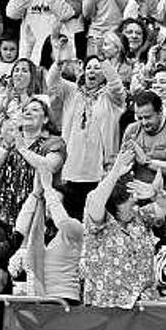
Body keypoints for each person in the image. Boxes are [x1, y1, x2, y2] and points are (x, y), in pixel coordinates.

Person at [81, 149, 166, 308]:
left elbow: (165, 207)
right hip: (106, 307)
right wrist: (116, 170)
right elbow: (95, 199)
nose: (136, 204)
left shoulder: (141, 216)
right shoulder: (98, 223)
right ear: (117, 203)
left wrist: (155, 194)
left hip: (144, 305)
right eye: (131, 202)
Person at [47, 53, 125, 221]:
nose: (92, 71)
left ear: (104, 72)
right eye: (89, 67)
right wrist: (60, 61)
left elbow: (116, 85)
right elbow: (52, 83)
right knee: (73, 223)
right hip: (72, 170)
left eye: (98, 68)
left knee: (98, 223)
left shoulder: (112, 97)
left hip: (100, 172)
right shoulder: (72, 91)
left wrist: (104, 60)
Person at [0, 98, 65, 228]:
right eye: (25, 110)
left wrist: (22, 149)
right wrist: (6, 147)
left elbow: (51, 166)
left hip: (36, 217)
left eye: (34, 110)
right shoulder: (13, 140)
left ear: (46, 119)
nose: (27, 113)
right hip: (4, 217)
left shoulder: (53, 142)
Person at [12, 168, 82, 302]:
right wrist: (36, 194)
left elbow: (61, 220)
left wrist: (49, 189)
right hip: (38, 298)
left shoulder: (74, 228)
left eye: (54, 202)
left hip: (65, 300)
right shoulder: (39, 231)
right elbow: (20, 227)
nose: (49, 205)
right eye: (46, 202)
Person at [121, 91, 166, 191]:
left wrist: (147, 162)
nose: (144, 123)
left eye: (148, 117)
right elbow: (123, 164)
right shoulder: (132, 130)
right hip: (141, 192)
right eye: (139, 118)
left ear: (160, 111)